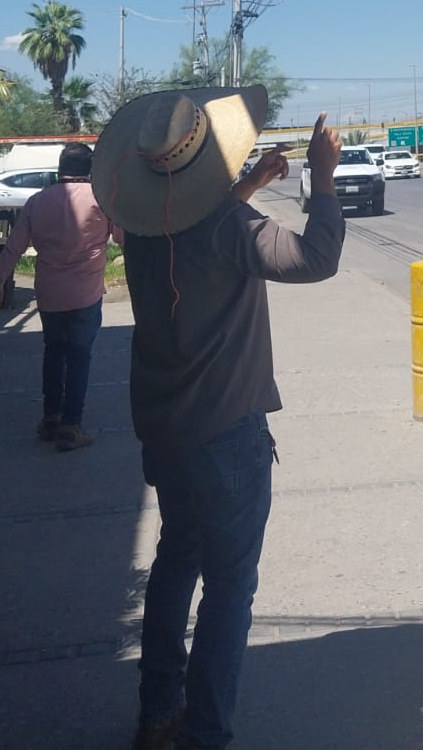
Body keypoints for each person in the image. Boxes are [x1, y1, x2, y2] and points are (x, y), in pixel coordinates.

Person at [90, 87, 344, 750]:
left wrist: (251, 185)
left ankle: (158, 715)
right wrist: (322, 176)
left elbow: (195, 227)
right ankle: (205, 734)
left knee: (176, 562)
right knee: (231, 590)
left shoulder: (144, 230)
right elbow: (317, 260)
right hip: (226, 434)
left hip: (164, 429)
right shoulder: (229, 230)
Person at [0, 141, 120, 451]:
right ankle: (72, 425)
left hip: (49, 294)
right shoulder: (102, 200)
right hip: (85, 294)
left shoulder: (37, 201)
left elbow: (14, 247)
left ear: (61, 169)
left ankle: (50, 418)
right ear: (90, 169)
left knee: (54, 353)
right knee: (79, 357)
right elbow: (122, 238)